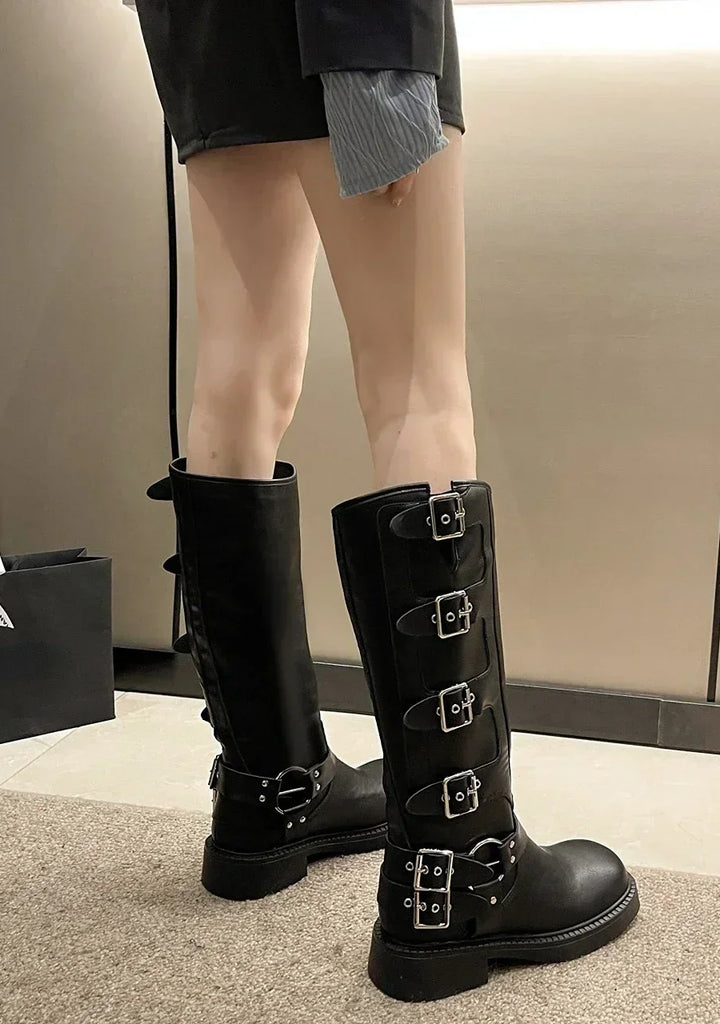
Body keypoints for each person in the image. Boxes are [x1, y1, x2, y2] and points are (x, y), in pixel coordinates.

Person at [133, 0, 639, 1002]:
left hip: (205, 31)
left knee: (240, 371)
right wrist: (385, 54)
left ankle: (270, 792)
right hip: (350, 28)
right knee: (414, 380)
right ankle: (462, 873)